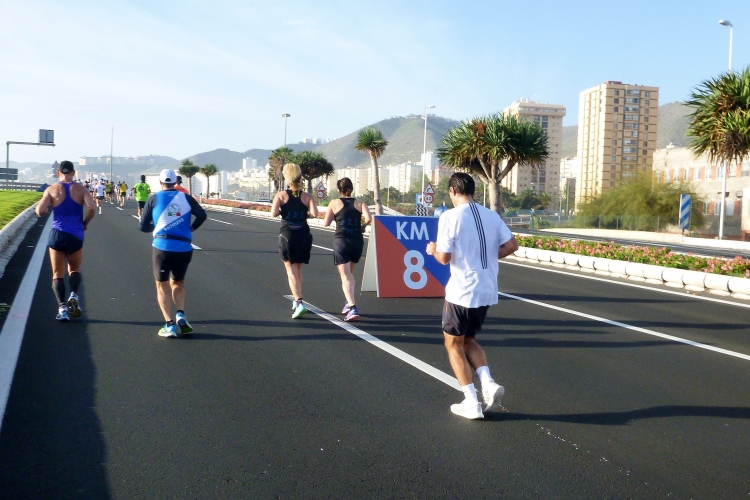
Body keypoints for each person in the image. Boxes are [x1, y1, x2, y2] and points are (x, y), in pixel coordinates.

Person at [425, 172, 519, 420]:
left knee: (453, 344)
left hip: (462, 290)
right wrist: (485, 257)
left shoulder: (450, 216)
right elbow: (512, 245)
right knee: (468, 339)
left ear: (452, 191)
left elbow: (444, 258)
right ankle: (487, 382)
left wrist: (433, 249)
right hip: (487, 288)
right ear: (473, 191)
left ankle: (471, 402)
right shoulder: (491, 215)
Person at [139, 169, 207, 338]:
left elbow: (142, 226)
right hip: (184, 247)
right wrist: (191, 228)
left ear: (160, 182)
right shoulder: (186, 198)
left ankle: (169, 325)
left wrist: (156, 227)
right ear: (175, 182)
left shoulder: (154, 198)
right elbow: (202, 215)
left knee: (162, 285)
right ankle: (181, 314)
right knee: (178, 282)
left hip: (162, 246)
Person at [35, 160, 96, 321]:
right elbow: (91, 207)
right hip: (76, 234)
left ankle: (62, 309)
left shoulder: (51, 189)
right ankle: (74, 295)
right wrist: (85, 223)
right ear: (73, 173)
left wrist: (45, 207)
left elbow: (40, 211)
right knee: (74, 269)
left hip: (57, 234)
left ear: (58, 173)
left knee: (57, 274)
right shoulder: (81, 189)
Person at [271, 163, 318, 319]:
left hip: (288, 235)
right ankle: (297, 298)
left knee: (291, 271)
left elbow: (273, 213)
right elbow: (314, 214)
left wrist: (284, 211)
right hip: (304, 234)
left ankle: (299, 302)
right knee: (298, 270)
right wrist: (303, 214)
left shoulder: (280, 195)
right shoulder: (308, 196)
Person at [323, 177, 371, 322]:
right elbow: (369, 218)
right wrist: (362, 226)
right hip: (357, 241)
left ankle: (352, 307)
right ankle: (348, 302)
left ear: (339, 190)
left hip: (342, 241)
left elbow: (326, 223)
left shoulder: (334, 203)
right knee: (349, 274)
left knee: (345, 276)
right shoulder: (360, 203)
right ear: (352, 189)